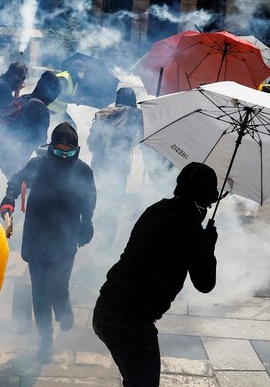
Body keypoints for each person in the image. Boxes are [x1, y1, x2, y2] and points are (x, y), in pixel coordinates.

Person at [92, 162, 219, 386]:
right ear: (201, 200)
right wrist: (207, 246)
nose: (207, 208)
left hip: (105, 307)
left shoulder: (157, 209)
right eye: (208, 202)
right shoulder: (189, 229)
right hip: (130, 321)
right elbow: (205, 283)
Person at [0, 122, 96, 363]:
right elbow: (17, 182)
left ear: (76, 151)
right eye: (59, 151)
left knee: (58, 286)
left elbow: (88, 201)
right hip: (37, 237)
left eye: (69, 153)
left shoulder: (83, 171)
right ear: (51, 147)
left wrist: (87, 224)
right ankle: (45, 340)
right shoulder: (38, 165)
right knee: (39, 291)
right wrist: (9, 199)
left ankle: (64, 309)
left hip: (65, 239)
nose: (64, 157)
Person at [87, 87, 143, 248]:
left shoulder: (103, 114)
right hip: (119, 167)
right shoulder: (136, 114)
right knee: (113, 203)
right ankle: (106, 243)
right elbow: (144, 138)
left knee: (97, 199)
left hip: (98, 165)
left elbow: (91, 145)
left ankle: (92, 235)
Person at [0, 70, 61, 180]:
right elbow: (40, 142)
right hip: (17, 160)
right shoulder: (42, 109)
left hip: (3, 152)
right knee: (17, 190)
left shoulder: (25, 98)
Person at [47, 59, 86, 128]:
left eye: (83, 72)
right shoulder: (64, 78)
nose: (82, 74)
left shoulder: (75, 81)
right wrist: (73, 100)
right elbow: (61, 96)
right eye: (81, 71)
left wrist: (78, 99)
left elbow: (70, 95)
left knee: (72, 127)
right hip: (50, 109)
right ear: (75, 70)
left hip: (60, 111)